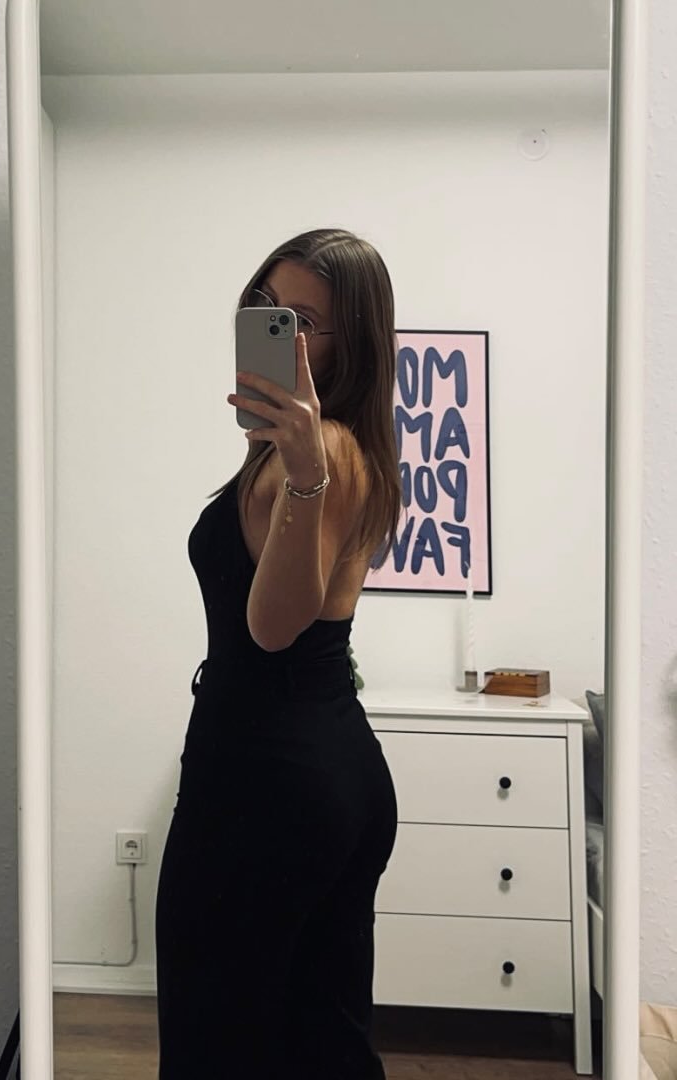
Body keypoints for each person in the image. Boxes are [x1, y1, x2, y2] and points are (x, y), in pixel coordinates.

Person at [154, 228, 402, 1079]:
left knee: (218, 1039)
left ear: (350, 343)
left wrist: (303, 475)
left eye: (302, 320)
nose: (277, 328)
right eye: (265, 305)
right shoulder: (341, 447)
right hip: (323, 768)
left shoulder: (324, 454)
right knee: (320, 1036)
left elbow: (271, 627)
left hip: (268, 781)